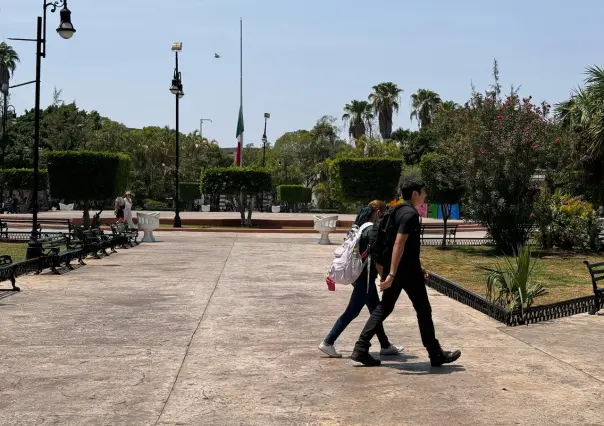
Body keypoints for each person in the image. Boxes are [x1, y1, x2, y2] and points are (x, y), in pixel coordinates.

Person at [350, 179, 461, 367]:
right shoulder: (409, 214)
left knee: (384, 308)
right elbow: (399, 243)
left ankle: (361, 348)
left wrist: (393, 270)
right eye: (423, 192)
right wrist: (392, 274)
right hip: (405, 272)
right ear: (415, 194)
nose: (425, 195)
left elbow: (398, 244)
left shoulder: (395, 210)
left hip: (403, 268)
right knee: (423, 310)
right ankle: (435, 354)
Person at [319, 200, 403, 358]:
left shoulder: (358, 227)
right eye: (383, 214)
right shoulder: (371, 230)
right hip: (365, 278)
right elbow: (376, 257)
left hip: (359, 276)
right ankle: (328, 341)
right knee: (352, 312)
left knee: (376, 310)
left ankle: (385, 345)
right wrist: (387, 276)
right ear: (378, 212)